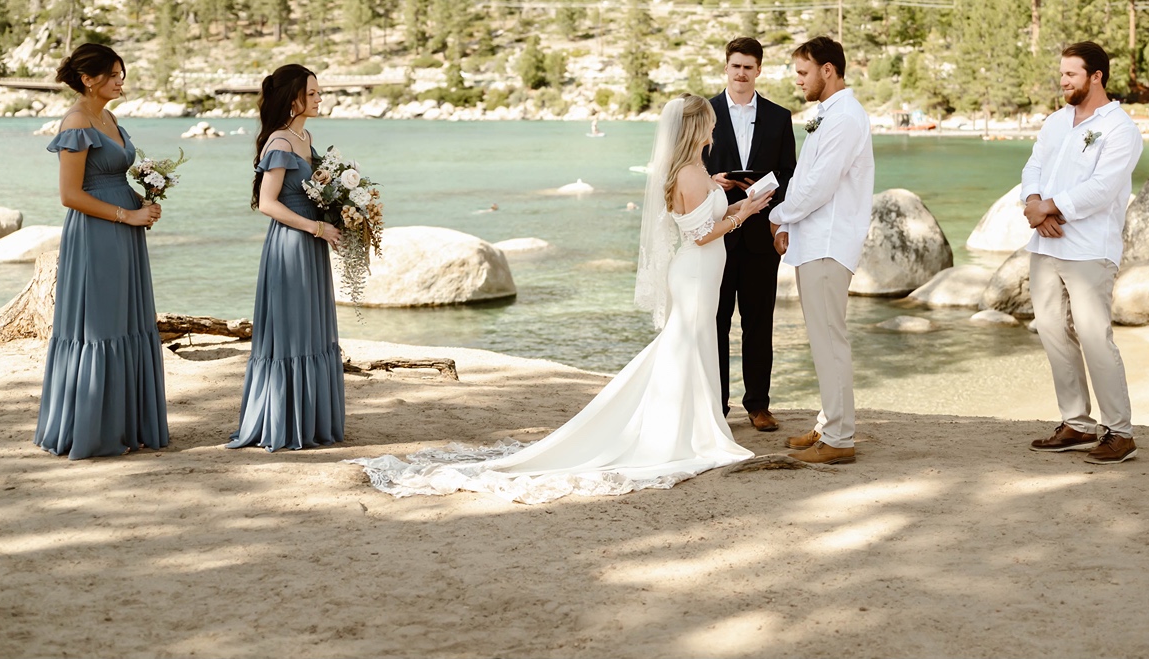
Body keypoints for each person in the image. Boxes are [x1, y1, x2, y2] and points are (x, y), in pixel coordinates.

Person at [351, 94, 772, 503]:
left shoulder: (694, 170)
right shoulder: (690, 174)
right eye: (711, 121)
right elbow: (701, 234)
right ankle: (686, 434)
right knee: (687, 348)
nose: (716, 125)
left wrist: (719, 191)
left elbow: (696, 210)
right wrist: (745, 211)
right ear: (699, 127)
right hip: (697, 273)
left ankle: (693, 427)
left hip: (698, 273)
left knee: (692, 349)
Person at [35, 43, 169, 459]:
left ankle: (129, 426)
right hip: (96, 235)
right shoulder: (75, 123)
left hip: (125, 230)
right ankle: (95, 430)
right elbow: (70, 195)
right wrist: (125, 215)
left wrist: (142, 204)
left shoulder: (108, 117)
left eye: (121, 74)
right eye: (112, 75)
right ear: (88, 79)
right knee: (101, 327)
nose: (119, 81)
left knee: (128, 323)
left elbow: (111, 176)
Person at [1021, 41, 1143, 464]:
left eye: (1071, 74)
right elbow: (1033, 166)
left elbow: (1103, 188)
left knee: (1094, 336)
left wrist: (1049, 208)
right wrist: (1034, 205)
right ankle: (1076, 422)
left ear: (1096, 77)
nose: (1063, 81)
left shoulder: (1120, 129)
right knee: (1052, 330)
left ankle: (1119, 431)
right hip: (1046, 241)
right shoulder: (1056, 122)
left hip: (1090, 247)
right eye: (1062, 73)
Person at [228, 65, 345, 451]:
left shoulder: (304, 136)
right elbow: (267, 203)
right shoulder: (279, 142)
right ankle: (283, 422)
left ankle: (309, 422)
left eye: (318, 92)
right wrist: (316, 228)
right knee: (292, 333)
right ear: (294, 98)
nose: (319, 99)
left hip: (310, 245)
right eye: (313, 93)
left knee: (312, 331)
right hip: (292, 247)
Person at [770, 36, 875, 466]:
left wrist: (778, 216)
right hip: (815, 239)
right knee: (822, 338)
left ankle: (840, 439)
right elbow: (804, 177)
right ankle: (828, 421)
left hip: (830, 243)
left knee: (830, 339)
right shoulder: (827, 114)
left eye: (802, 72)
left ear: (827, 70)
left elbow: (820, 184)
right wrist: (790, 220)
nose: (798, 81)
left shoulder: (846, 117)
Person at [704, 36, 797, 432]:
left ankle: (759, 405)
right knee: (716, 323)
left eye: (749, 66)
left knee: (759, 324)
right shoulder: (703, 113)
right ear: (726, 67)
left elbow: (791, 173)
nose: (741, 73)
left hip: (761, 237)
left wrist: (772, 200)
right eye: (735, 65)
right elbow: (686, 170)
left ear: (759, 70)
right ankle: (716, 407)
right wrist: (715, 182)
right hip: (716, 235)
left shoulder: (780, 117)